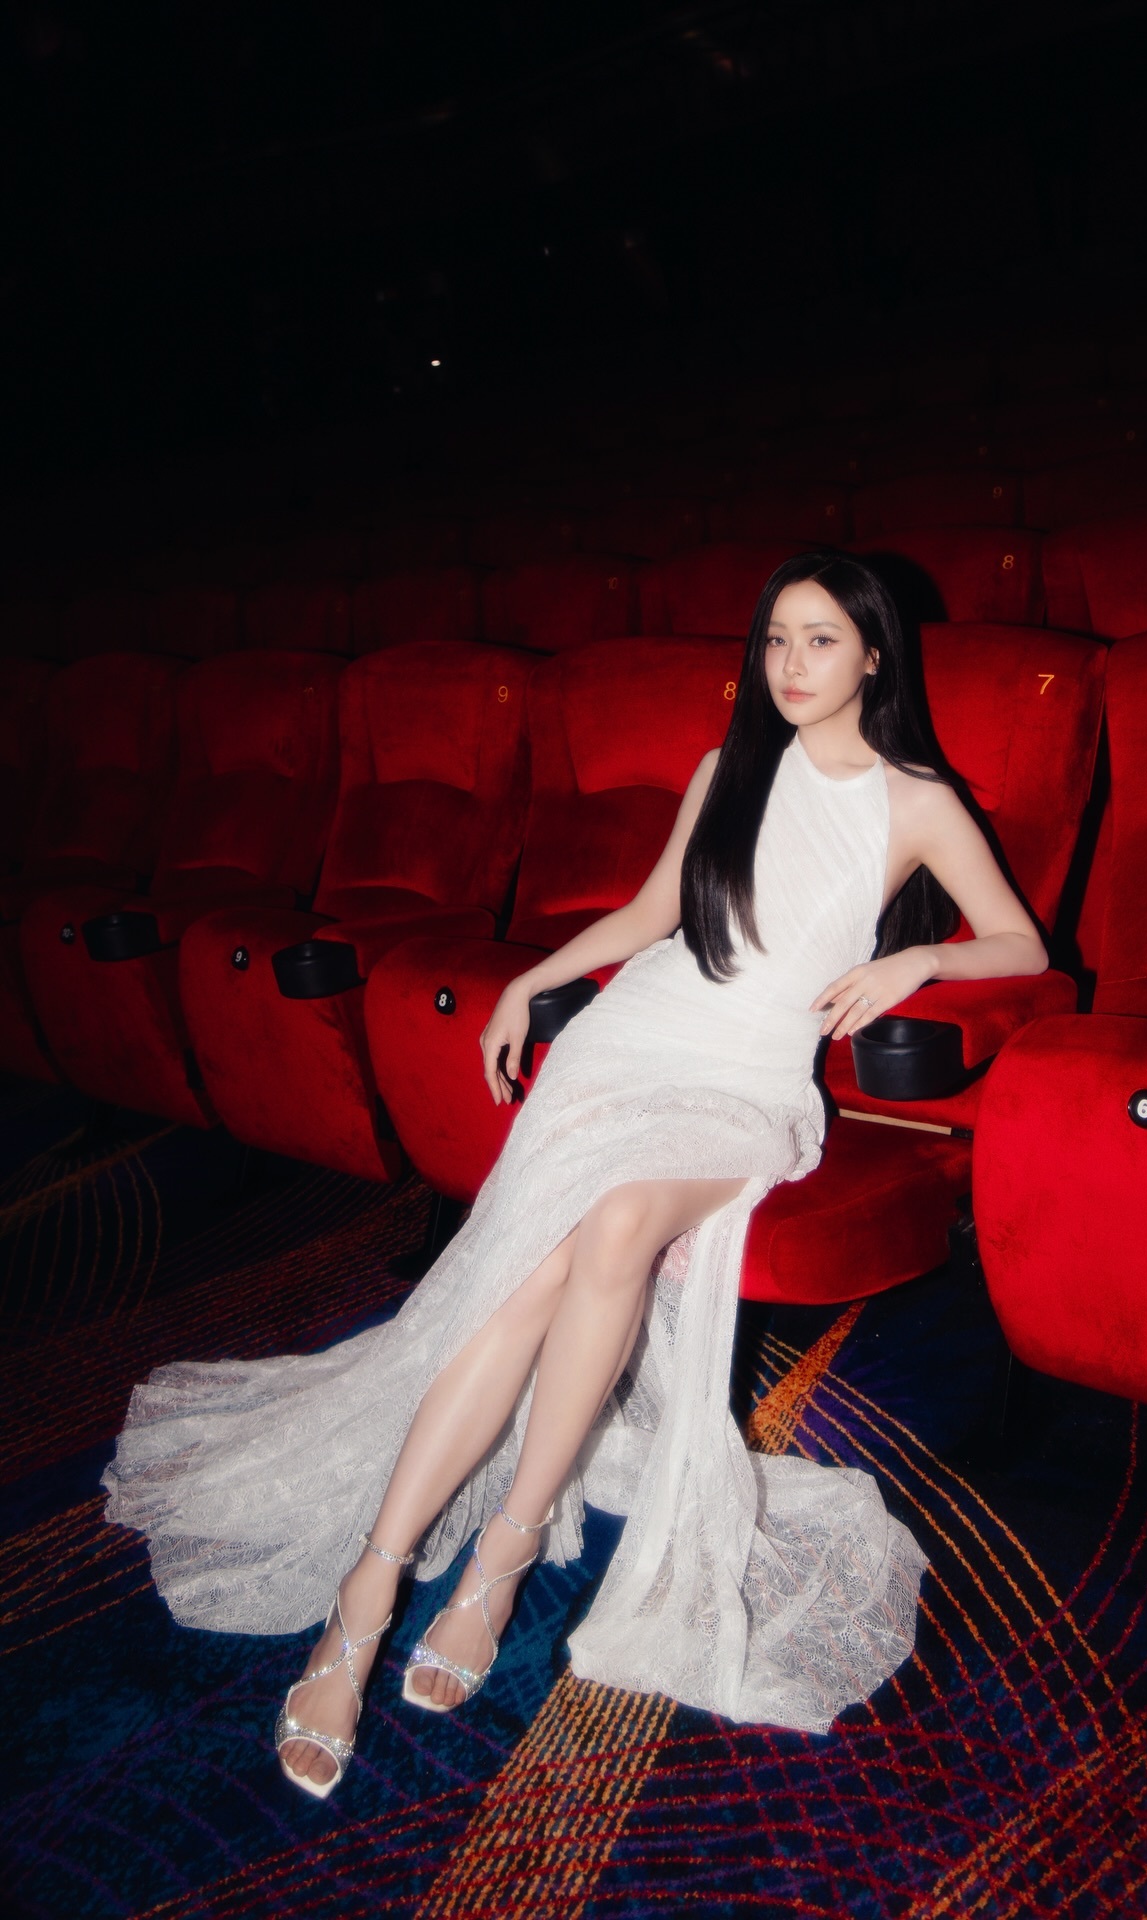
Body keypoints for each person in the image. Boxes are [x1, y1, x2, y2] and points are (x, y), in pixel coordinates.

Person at [103, 552, 1047, 1798]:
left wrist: (919, 959)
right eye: (776, 639)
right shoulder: (725, 770)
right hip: (635, 1039)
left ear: (875, 655)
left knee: (616, 1226)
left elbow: (1022, 942)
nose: (791, 664)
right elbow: (655, 917)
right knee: (534, 1275)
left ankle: (501, 1556)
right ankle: (368, 1591)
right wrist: (537, 981)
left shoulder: (916, 800)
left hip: (748, 1080)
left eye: (821, 640)